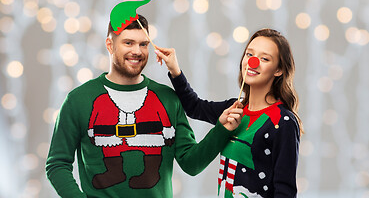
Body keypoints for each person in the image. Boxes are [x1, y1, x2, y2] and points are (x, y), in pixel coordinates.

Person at [45, 14, 244, 198]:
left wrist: (221, 129)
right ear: (110, 45)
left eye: (143, 44)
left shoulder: (168, 98)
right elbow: (57, 164)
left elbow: (192, 164)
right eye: (128, 43)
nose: (137, 51)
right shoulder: (79, 99)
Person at [155, 28, 303, 198]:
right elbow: (194, 107)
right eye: (249, 55)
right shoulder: (233, 109)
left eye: (264, 58)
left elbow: (285, 190)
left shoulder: (283, 122)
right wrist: (175, 70)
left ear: (278, 70)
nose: (253, 62)